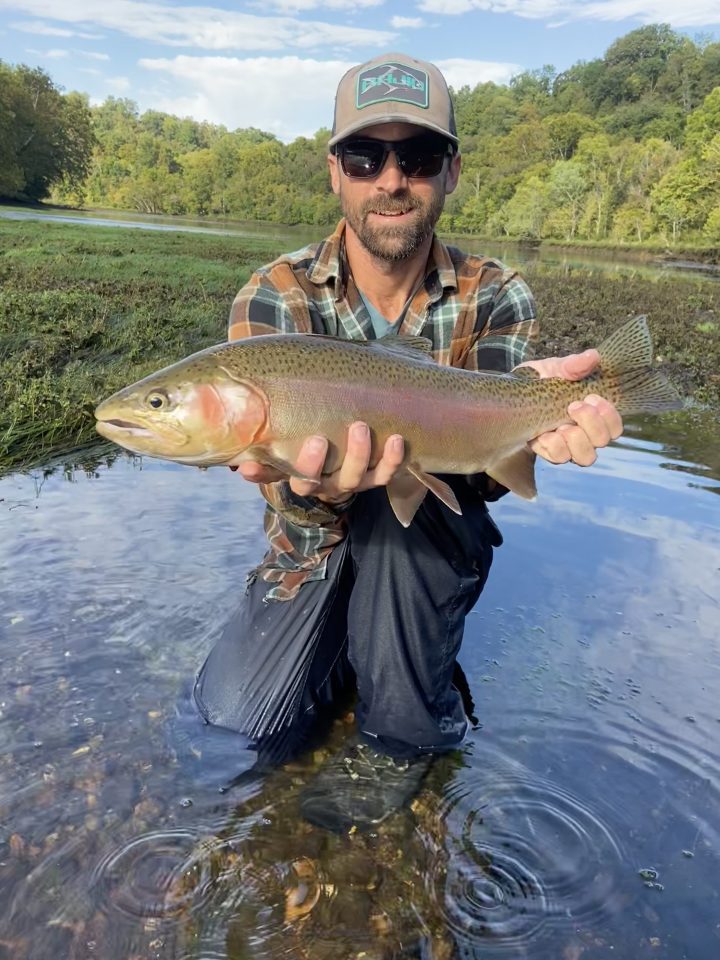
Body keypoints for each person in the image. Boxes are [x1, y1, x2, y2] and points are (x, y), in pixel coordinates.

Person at [192, 53, 622, 831]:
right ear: (335, 171)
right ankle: (361, 662)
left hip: (428, 529)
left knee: (403, 545)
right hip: (310, 547)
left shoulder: (497, 292)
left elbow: (486, 476)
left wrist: (543, 408)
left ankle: (409, 727)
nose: (391, 179)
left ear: (450, 172)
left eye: (417, 156)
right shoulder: (272, 297)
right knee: (237, 723)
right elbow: (284, 498)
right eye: (366, 155)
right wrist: (314, 487)